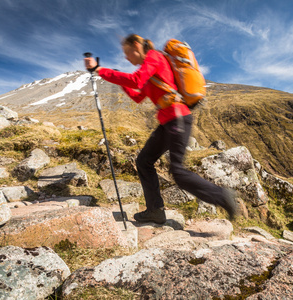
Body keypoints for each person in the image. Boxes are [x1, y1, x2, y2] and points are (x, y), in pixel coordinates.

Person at [84, 34, 237, 224]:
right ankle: (155, 211)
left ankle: (222, 196)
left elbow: (136, 81)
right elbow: (138, 96)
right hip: (168, 122)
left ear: (137, 45)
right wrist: (117, 79)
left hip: (178, 118)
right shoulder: (149, 73)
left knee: (178, 172)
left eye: (126, 52)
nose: (125, 57)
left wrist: (100, 70)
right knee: (144, 161)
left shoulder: (154, 57)